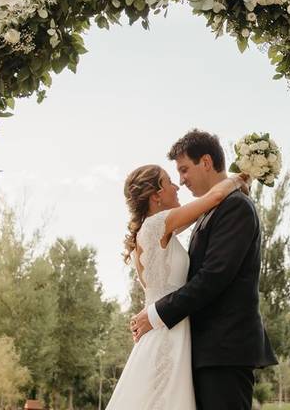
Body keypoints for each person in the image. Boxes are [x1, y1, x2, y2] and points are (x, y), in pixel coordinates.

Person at [129, 129, 277, 410]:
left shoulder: (236, 207)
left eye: (184, 170)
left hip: (224, 350)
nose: (181, 181)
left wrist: (156, 313)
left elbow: (214, 276)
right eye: (175, 177)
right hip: (196, 349)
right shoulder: (204, 212)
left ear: (206, 162)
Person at [106, 159, 247, 409]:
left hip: (163, 328)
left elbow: (202, 212)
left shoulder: (154, 231)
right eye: (170, 182)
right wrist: (243, 176)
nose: (177, 187)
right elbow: (214, 197)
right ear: (156, 195)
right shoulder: (157, 225)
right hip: (168, 335)